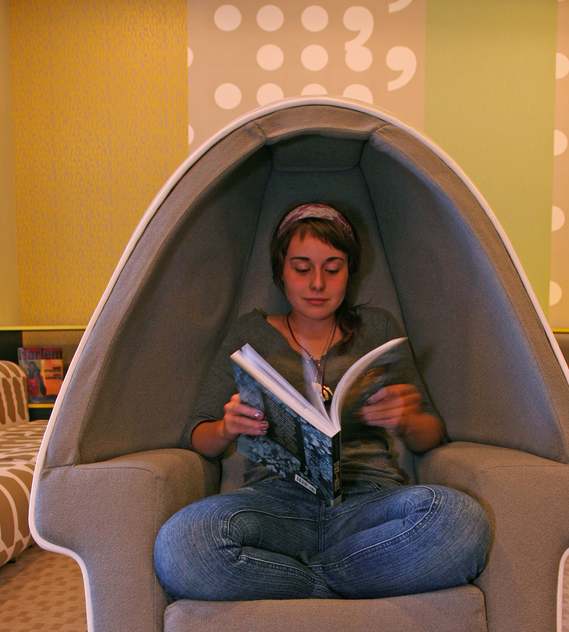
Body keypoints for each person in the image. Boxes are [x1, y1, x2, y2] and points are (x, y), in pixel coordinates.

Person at [153, 202, 490, 601]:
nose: (317, 283)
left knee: (461, 521)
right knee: (183, 545)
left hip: (366, 501)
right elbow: (198, 435)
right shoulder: (250, 333)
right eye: (302, 268)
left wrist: (405, 418)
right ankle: (342, 580)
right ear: (280, 270)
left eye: (333, 269)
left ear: (350, 271)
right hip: (277, 503)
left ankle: (304, 577)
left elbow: (431, 435)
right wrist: (226, 428)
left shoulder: (377, 327)